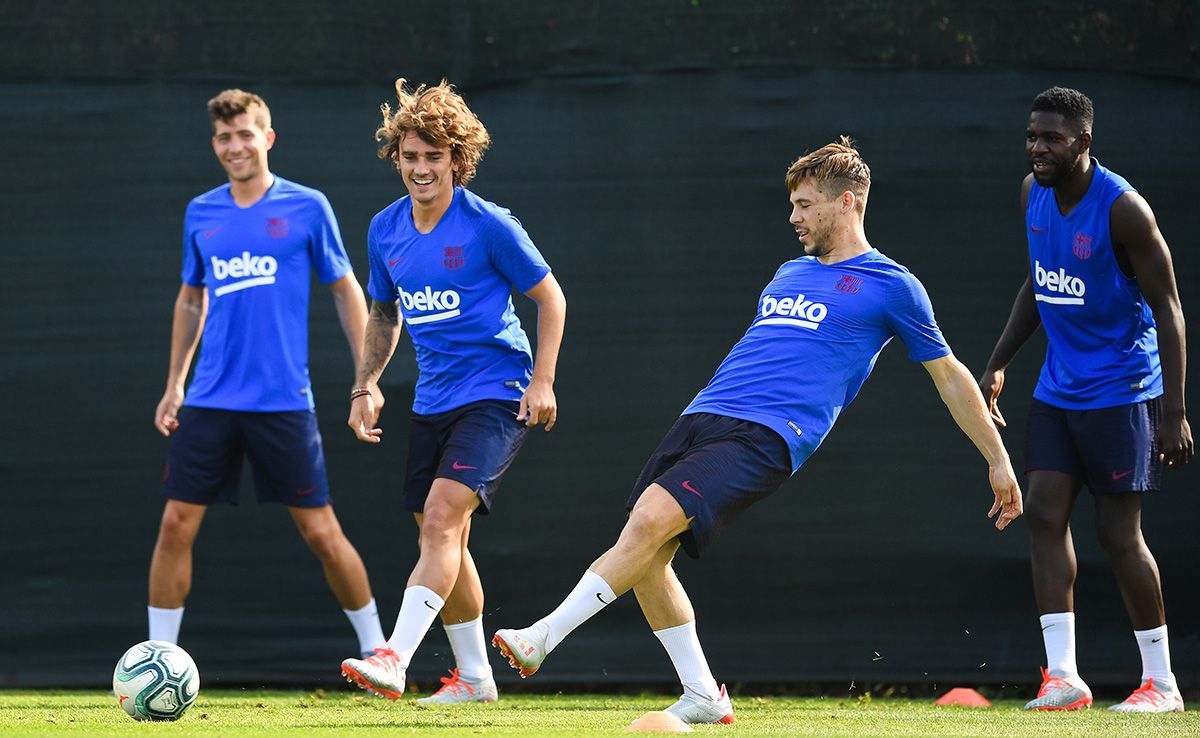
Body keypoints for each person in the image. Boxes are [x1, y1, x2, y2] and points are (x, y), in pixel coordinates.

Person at [490, 137, 1023, 724]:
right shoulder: (790, 270)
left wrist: (997, 459)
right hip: (702, 416)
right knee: (644, 554)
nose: (793, 217)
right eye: (791, 204)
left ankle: (543, 637)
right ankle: (702, 695)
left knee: (644, 526)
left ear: (846, 203)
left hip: (769, 435)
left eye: (804, 204)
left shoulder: (893, 284)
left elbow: (949, 377)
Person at [338, 79, 567, 704]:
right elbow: (384, 315)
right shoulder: (385, 230)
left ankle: (393, 654)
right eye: (410, 157)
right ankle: (474, 678)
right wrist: (366, 386)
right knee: (442, 538)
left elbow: (550, 297)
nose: (420, 169)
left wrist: (542, 380)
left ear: (456, 161)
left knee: (441, 520)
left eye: (433, 157)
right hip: (432, 400)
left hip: (497, 391)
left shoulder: (489, 225)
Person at [148, 90, 386, 657]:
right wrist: (174, 384)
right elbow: (190, 300)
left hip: (283, 402)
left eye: (245, 135)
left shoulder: (307, 207)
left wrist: (366, 379)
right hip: (208, 401)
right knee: (175, 525)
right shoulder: (201, 212)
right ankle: (157, 659)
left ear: (267, 138)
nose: (236, 147)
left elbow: (346, 290)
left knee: (322, 533)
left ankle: (381, 654)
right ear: (215, 145)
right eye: (225, 138)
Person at [979, 87, 1192, 714]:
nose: (1038, 148)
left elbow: (1171, 311)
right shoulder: (1032, 194)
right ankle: (1064, 677)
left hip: (1123, 391)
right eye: (1032, 136)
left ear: (1084, 142)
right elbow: (1038, 282)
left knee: (1118, 534)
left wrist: (1175, 411)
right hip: (1058, 388)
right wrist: (998, 362)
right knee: (1044, 512)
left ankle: (1162, 683)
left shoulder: (1125, 210)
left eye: (1052, 138)